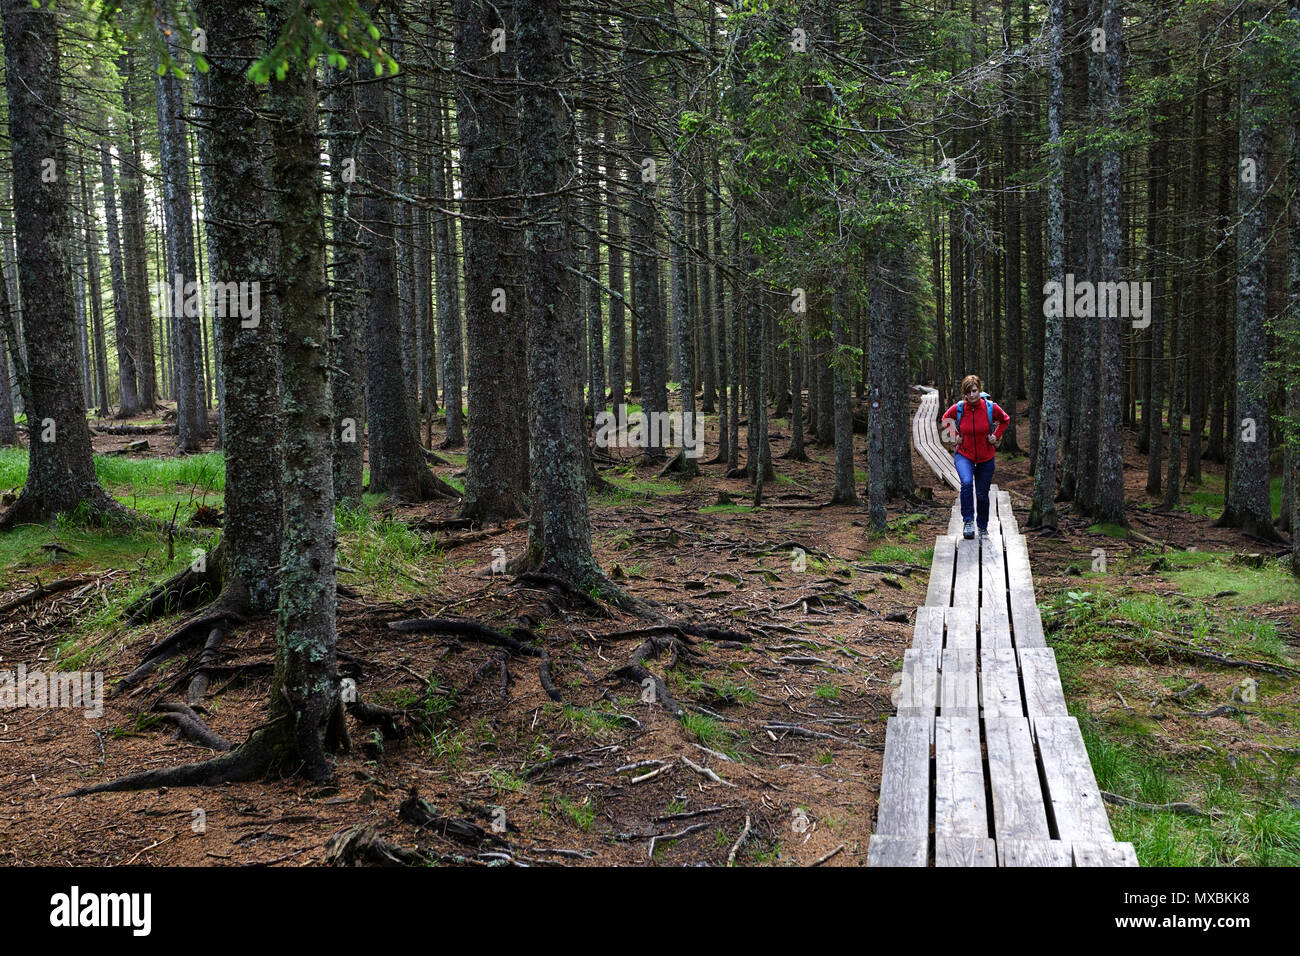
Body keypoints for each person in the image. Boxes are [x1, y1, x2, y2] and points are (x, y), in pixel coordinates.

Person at [941, 374, 1010, 540]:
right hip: (964, 454)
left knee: (981, 494)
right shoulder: (959, 408)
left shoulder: (990, 407)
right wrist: (954, 434)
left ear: (979, 390)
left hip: (986, 456)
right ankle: (968, 522)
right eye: (968, 392)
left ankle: (982, 526)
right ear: (964, 393)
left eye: (974, 391)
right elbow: (945, 419)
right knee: (966, 483)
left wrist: (996, 436)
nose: (972, 395)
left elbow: (1005, 420)